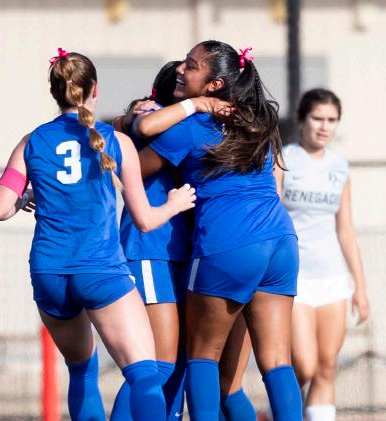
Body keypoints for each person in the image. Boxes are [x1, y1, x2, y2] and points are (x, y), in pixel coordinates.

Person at [0, 48, 196, 421]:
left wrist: (25, 198)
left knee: (82, 370)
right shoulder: (115, 142)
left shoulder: (32, 141)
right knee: (145, 374)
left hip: (50, 272)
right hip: (99, 270)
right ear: (95, 89)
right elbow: (145, 220)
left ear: (54, 92)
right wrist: (175, 204)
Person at [127, 41, 303, 420]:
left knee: (202, 356)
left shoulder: (190, 126)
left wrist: (125, 125)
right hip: (281, 241)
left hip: (228, 244)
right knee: (277, 360)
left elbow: (131, 168)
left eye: (191, 65)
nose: (181, 69)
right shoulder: (257, 120)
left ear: (215, 85)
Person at [112, 62, 256, 421]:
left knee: (179, 361)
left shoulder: (204, 126)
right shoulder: (157, 115)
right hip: (151, 248)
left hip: (188, 252)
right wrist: (131, 117)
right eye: (182, 72)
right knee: (157, 364)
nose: (185, 76)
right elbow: (132, 131)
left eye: (190, 70)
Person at [274, 88, 369, 421]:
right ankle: (277, 411)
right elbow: (272, 216)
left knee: (327, 366)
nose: (324, 126)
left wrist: (360, 287)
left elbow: (346, 229)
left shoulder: (339, 167)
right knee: (304, 365)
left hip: (331, 278)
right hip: (295, 276)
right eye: (318, 118)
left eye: (331, 120)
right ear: (302, 120)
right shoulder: (284, 159)